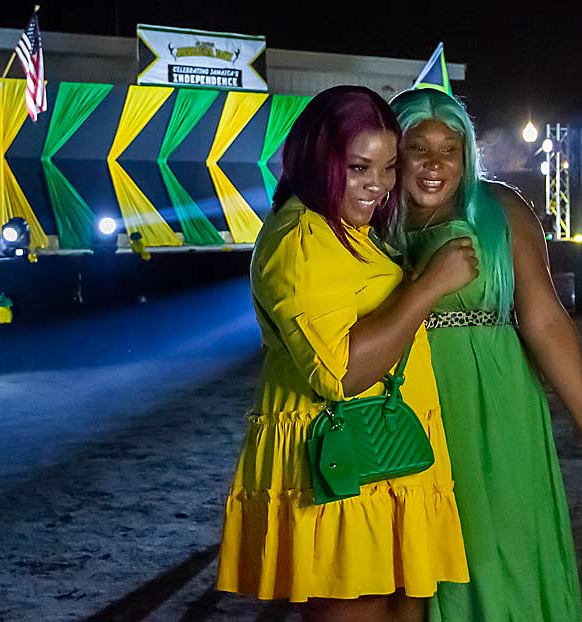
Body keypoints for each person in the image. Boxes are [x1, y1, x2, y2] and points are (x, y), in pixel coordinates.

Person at [388, 88, 582, 622]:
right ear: (395, 150)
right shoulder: (371, 218)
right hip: (402, 404)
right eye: (419, 147)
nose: (436, 163)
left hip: (496, 399)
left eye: (451, 148)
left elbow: (545, 319)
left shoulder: (502, 209)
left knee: (499, 544)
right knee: (412, 566)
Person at [216, 86, 478, 622]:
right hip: (339, 465)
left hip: (388, 454)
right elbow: (341, 373)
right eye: (359, 167)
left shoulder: (350, 231)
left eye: (386, 168)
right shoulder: (300, 239)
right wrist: (428, 286)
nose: (377, 186)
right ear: (319, 160)